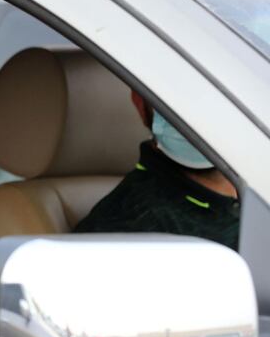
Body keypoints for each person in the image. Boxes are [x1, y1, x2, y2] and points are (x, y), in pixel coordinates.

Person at [74, 91, 239, 249]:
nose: (193, 117)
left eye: (211, 97)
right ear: (140, 103)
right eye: (174, 94)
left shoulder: (258, 188)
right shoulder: (126, 233)